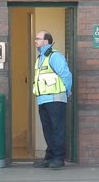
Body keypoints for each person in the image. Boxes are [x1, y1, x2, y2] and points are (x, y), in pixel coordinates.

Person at [32, 30, 72, 169]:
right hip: (43, 100)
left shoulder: (55, 56)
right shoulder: (40, 58)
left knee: (57, 129)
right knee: (47, 129)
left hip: (56, 99)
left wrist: (68, 91)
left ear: (46, 41)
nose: (35, 41)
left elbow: (66, 75)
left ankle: (58, 158)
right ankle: (49, 157)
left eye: (37, 38)